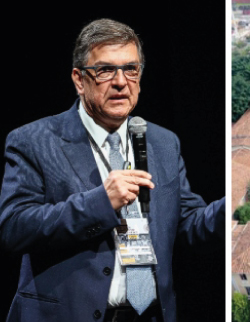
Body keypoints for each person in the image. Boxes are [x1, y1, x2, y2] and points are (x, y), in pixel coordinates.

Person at [0, 19, 224, 322]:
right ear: (79, 80)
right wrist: (100, 203)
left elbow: (189, 226)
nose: (121, 82)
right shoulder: (34, 141)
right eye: (105, 70)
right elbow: (14, 229)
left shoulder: (163, 142)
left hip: (151, 314)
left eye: (131, 69)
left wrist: (232, 205)